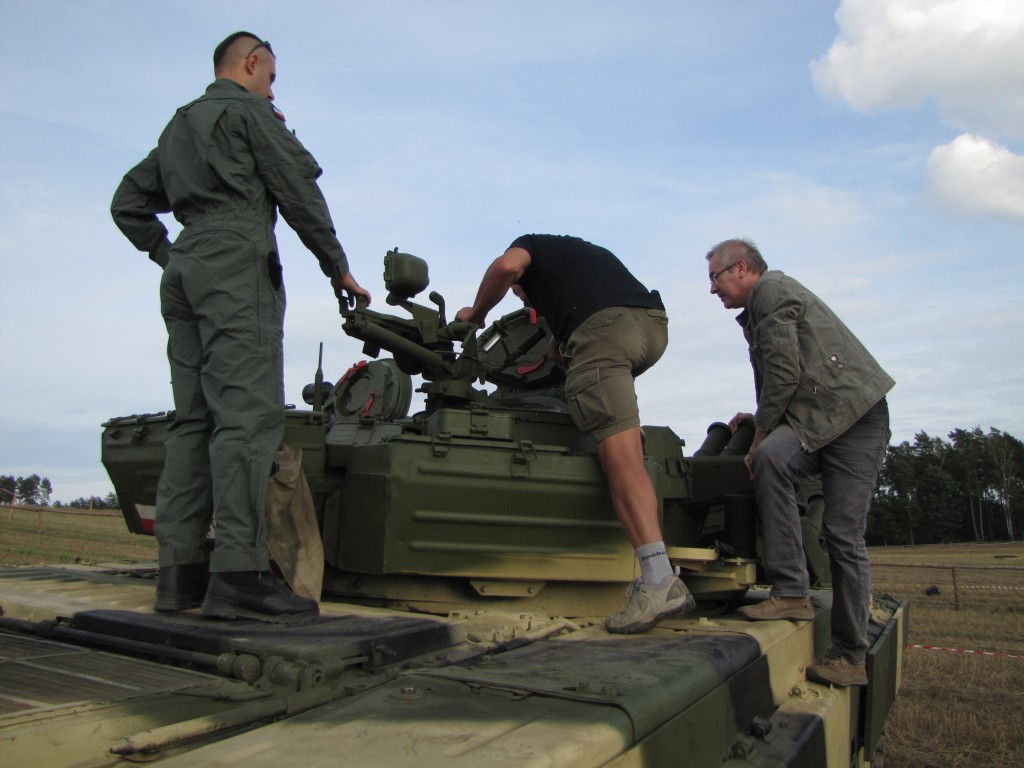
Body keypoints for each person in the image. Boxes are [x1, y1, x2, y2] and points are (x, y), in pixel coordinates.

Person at [111, 31, 371, 624]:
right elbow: (297, 191)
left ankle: (178, 573)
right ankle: (238, 574)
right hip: (235, 265)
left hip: (186, 268)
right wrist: (337, 266)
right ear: (252, 64)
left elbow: (127, 202)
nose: (272, 89)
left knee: (193, 421)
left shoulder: (180, 126)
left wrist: (170, 254)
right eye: (271, 77)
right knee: (247, 421)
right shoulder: (250, 114)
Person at [456, 234, 695, 633]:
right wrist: (560, 345)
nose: (521, 298)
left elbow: (505, 267)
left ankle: (659, 581)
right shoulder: (571, 253)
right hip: (651, 327)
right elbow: (594, 311)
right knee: (616, 420)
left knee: (620, 460)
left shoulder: (525, 248)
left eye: (518, 293)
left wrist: (475, 313)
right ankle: (622, 426)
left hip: (604, 332)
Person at [706, 238, 893, 686]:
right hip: (817, 419)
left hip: (855, 419)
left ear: (742, 268)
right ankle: (791, 591)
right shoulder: (756, 312)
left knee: (842, 536)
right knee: (771, 458)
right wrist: (761, 421)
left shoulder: (771, 290)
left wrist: (762, 432)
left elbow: (785, 371)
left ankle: (850, 657)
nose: (712, 289)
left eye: (715, 277)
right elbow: (780, 373)